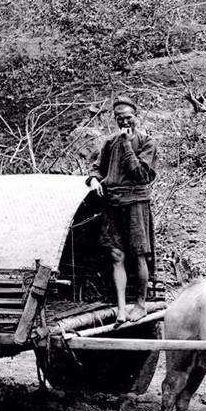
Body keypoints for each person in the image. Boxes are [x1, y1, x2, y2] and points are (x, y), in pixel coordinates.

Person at [86, 95, 158, 320]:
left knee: (139, 256)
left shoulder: (147, 142)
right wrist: (94, 179)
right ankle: (120, 308)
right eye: (119, 118)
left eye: (127, 117)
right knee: (117, 255)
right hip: (113, 203)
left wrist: (127, 144)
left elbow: (140, 174)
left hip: (136, 203)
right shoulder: (109, 142)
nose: (124, 122)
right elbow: (97, 168)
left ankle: (140, 304)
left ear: (136, 117)